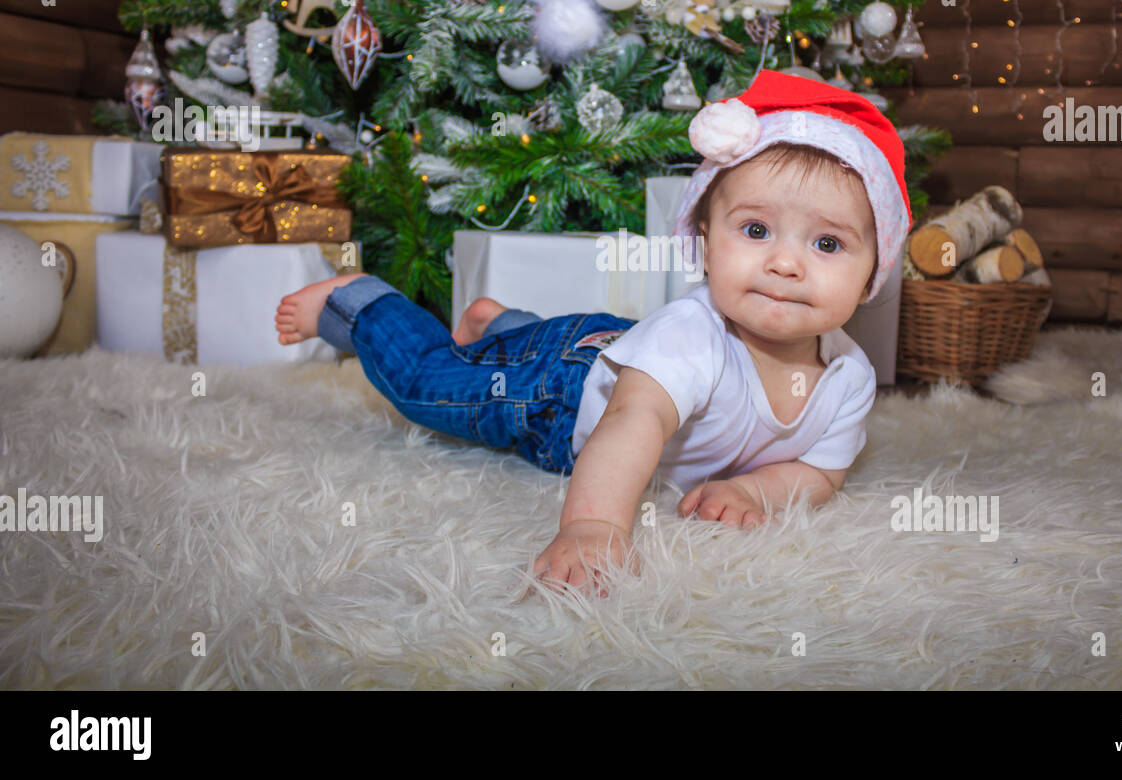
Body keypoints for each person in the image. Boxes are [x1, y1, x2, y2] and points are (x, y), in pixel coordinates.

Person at [275, 70, 913, 597]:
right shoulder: (694, 335)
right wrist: (595, 525)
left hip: (615, 344)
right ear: (705, 248)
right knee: (431, 387)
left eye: (827, 243)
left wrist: (751, 489)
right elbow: (633, 422)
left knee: (549, 342)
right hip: (562, 392)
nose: (785, 262)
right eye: (755, 230)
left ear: (870, 279)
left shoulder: (849, 376)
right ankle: (360, 302)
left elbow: (819, 472)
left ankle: (499, 323)